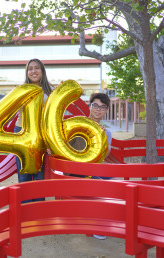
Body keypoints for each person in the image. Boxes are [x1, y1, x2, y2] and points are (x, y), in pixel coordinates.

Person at [68, 92, 112, 240]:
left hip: (93, 169)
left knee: (113, 182)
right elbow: (69, 150)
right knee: (102, 186)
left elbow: (103, 157)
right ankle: (97, 226)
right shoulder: (78, 125)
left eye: (103, 107)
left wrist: (102, 140)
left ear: (106, 110)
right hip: (76, 170)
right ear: (90, 106)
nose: (98, 109)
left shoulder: (107, 133)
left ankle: (102, 221)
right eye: (95, 105)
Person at [14, 59, 54, 203]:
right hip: (22, 132)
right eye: (30, 69)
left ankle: (38, 209)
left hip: (41, 134)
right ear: (27, 72)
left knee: (39, 173)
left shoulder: (51, 90)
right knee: (24, 173)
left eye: (37, 68)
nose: (33, 71)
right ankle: (24, 209)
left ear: (42, 71)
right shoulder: (21, 89)